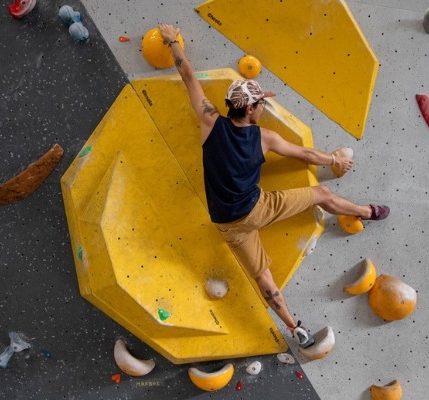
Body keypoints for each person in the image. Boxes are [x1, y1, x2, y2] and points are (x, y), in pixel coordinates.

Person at [157, 24, 390, 348]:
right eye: (261, 103)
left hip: (227, 225)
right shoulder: (264, 137)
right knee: (320, 194)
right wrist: (333, 161)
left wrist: (171, 41)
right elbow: (306, 154)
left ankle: (295, 328)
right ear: (250, 109)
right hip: (258, 208)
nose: (264, 107)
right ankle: (368, 211)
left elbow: (189, 78)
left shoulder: (210, 121)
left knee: (262, 278)